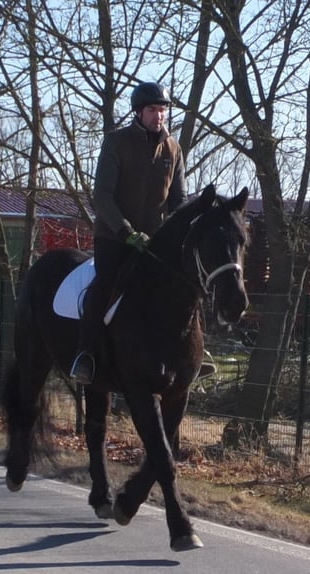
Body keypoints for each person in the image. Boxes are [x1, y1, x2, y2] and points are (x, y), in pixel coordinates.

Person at [70, 81, 215, 385]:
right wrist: (126, 232)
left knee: (185, 286)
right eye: (152, 110)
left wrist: (175, 235)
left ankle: (197, 355)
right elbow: (102, 196)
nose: (158, 116)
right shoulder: (116, 143)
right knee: (105, 284)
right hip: (114, 236)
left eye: (162, 110)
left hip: (155, 242)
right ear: (139, 112)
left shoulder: (174, 149)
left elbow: (178, 202)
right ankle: (86, 355)